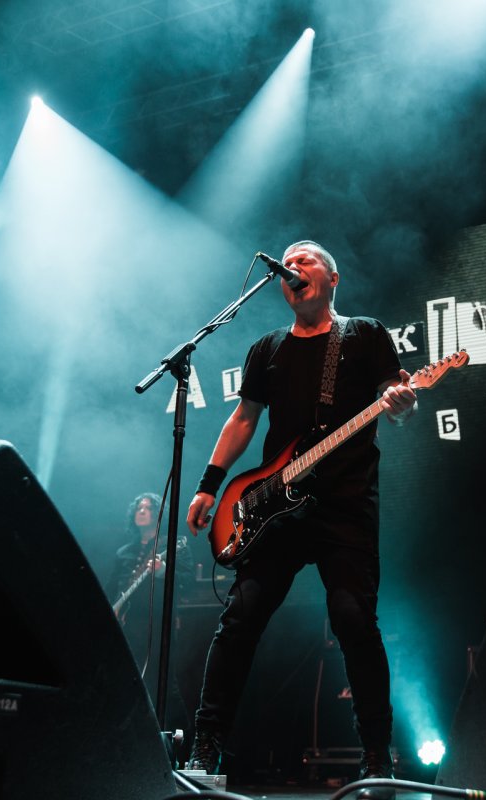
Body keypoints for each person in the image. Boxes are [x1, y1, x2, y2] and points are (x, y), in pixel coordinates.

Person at [184, 240, 417, 799]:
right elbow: (244, 419)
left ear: (333, 279)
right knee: (239, 620)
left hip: (345, 505)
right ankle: (205, 747)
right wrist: (210, 485)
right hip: (275, 509)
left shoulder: (364, 334)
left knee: (353, 620)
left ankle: (377, 758)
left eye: (307, 259)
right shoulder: (266, 349)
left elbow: (395, 393)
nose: (294, 267)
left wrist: (403, 401)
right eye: (288, 262)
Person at [108, 492, 192, 736]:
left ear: (158, 514)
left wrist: (162, 570)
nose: (141, 511)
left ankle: (183, 739)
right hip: (128, 625)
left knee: (162, 680)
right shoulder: (124, 552)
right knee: (128, 679)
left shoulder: (172, 545)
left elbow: (187, 582)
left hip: (159, 622)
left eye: (148, 508)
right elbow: (111, 588)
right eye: (138, 508)